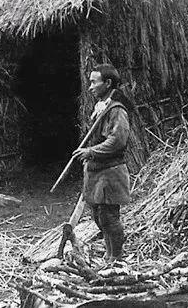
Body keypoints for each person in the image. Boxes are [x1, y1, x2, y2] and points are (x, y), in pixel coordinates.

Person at [72, 64, 131, 262]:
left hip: (111, 172)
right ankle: (109, 255)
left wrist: (91, 151)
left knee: (109, 217)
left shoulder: (117, 110)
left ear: (107, 83)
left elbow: (118, 140)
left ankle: (117, 257)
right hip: (97, 171)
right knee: (98, 216)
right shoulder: (101, 107)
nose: (90, 87)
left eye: (93, 82)